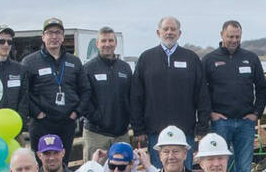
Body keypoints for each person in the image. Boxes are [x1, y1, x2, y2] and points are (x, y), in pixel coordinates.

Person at [130, 16, 210, 155]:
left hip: (185, 131)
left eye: (173, 29)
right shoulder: (146, 58)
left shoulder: (191, 58)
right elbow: (137, 95)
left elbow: (202, 95)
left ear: (179, 33)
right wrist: (138, 128)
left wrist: (202, 127)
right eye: (165, 29)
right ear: (158, 33)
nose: (169, 32)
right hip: (155, 131)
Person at [203, 20, 266, 172]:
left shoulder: (250, 58)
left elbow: (262, 88)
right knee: (221, 169)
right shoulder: (209, 60)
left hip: (246, 122)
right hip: (221, 123)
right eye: (230, 36)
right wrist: (210, 113)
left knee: (244, 171)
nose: (234, 40)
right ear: (222, 35)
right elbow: (201, 91)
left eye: (237, 37)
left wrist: (256, 113)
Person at [18, 17, 86, 147]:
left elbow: (85, 89)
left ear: (62, 37)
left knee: (63, 163)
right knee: (42, 164)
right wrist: (37, 113)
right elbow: (24, 93)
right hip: (41, 124)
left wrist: (77, 112)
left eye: (58, 33)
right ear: (43, 37)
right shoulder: (29, 62)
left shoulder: (74, 61)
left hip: (67, 123)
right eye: (50, 33)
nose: (54, 36)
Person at [80, 26, 137, 154]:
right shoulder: (88, 69)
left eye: (111, 41)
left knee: (122, 171)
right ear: (97, 44)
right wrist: (97, 117)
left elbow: (131, 97)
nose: (107, 44)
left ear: (115, 43)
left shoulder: (125, 68)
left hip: (121, 134)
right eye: (103, 41)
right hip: (96, 134)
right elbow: (83, 98)